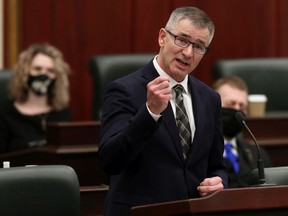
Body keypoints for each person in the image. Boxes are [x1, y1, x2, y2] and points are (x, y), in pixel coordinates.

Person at [99, 7, 229, 216]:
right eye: (182, 40)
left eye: (199, 46)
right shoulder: (124, 89)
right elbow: (110, 160)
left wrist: (220, 181)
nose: (188, 52)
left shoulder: (210, 98)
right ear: (162, 37)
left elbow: (217, 165)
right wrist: (150, 112)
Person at [0, 43, 72, 153]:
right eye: (37, 69)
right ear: (24, 73)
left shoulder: (62, 112)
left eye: (50, 71)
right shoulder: (4, 113)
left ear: (57, 77)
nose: (43, 74)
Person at [212, 75, 272, 188]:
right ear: (212, 104)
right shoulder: (198, 152)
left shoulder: (258, 154)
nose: (237, 110)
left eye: (242, 106)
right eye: (231, 104)